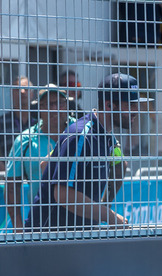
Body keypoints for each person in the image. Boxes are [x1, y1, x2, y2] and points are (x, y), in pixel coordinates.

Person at [24, 73, 153, 230]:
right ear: (109, 105)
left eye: (136, 105)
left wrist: (103, 210)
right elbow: (62, 194)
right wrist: (109, 215)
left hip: (76, 236)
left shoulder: (107, 137)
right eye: (130, 105)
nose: (136, 111)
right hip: (49, 236)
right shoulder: (80, 135)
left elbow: (47, 165)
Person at [4, 85, 74, 230]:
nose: (54, 109)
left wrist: (104, 205)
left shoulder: (84, 131)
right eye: (48, 104)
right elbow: (11, 185)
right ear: (39, 108)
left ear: (67, 105)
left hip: (79, 221)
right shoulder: (25, 140)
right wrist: (18, 226)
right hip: (41, 221)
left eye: (60, 103)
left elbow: (118, 162)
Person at [0, 76, 32, 172]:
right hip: (8, 178)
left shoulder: (40, 121)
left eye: (26, 89)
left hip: (35, 177)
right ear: (11, 94)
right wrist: (7, 173)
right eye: (17, 89)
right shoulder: (2, 122)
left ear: (32, 94)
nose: (22, 92)